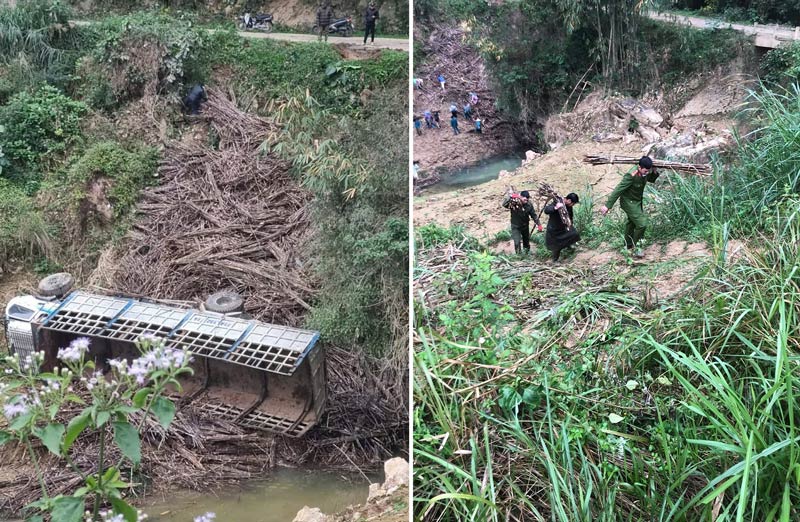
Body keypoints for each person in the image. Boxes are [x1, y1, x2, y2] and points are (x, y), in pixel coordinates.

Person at [600, 156, 660, 257]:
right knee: (642, 224)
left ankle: (627, 246)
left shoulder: (645, 172)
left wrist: (654, 172)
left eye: (647, 171)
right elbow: (618, 189)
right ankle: (637, 247)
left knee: (631, 223)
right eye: (645, 171)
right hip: (628, 202)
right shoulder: (631, 175)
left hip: (637, 201)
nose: (646, 173)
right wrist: (607, 206)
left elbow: (651, 179)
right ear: (639, 167)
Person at [502, 190, 542, 255]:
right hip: (515, 226)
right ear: (520, 197)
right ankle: (519, 255)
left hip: (525, 226)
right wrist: (510, 196)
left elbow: (534, 215)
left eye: (527, 198)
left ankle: (526, 253)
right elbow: (504, 204)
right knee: (517, 242)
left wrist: (539, 224)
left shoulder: (529, 204)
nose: (525, 199)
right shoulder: (514, 203)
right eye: (524, 197)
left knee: (526, 242)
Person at [544, 193, 581, 262]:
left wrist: (570, 225)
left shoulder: (569, 206)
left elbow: (570, 217)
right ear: (569, 200)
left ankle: (568, 248)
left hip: (563, 229)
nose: (573, 205)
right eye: (573, 203)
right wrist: (555, 208)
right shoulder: (557, 202)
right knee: (556, 247)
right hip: (554, 230)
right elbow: (546, 210)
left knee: (574, 234)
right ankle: (554, 260)